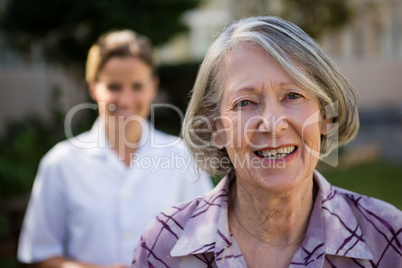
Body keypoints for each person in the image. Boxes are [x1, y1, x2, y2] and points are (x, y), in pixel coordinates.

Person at [131, 16, 402, 267]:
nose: (272, 124)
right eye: (245, 102)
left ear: (325, 115)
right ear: (216, 127)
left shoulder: (388, 238)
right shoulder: (163, 245)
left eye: (293, 96)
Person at [17, 30, 213, 268]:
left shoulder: (182, 157)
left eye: (137, 86)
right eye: (114, 86)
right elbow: (40, 254)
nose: (126, 99)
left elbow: (206, 244)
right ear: (93, 88)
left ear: (153, 87)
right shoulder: (60, 163)